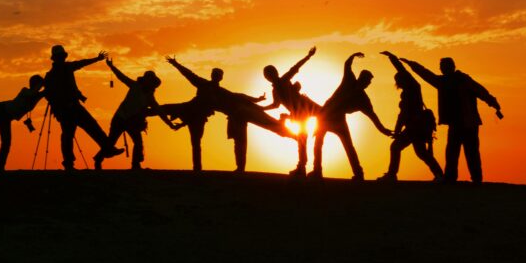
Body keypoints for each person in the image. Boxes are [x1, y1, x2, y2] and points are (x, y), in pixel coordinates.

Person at [165, 56, 291, 173]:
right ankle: (224, 168)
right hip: (224, 114)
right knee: (238, 141)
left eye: (219, 75)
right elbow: (189, 74)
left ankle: (239, 168)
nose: (217, 76)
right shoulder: (203, 84)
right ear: (212, 75)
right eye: (215, 74)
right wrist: (176, 64)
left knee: (244, 139)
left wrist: (257, 99)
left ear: (221, 78)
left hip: (238, 113)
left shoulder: (221, 91)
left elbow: (239, 96)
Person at [401, 56, 502, 183]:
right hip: (458, 123)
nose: (442, 69)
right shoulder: (444, 81)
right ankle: (455, 178)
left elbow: (481, 91)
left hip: (468, 123)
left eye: (444, 67)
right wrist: (412, 64)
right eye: (441, 67)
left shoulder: (461, 80)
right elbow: (426, 74)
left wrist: (493, 103)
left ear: (451, 67)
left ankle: (472, 179)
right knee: (454, 153)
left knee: (467, 152)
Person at [311, 52, 393, 181]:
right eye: (366, 81)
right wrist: (353, 56)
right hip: (326, 115)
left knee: (348, 146)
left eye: (368, 82)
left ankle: (358, 173)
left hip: (338, 119)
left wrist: (383, 130)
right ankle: (317, 171)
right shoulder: (349, 80)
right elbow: (347, 65)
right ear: (361, 78)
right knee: (318, 143)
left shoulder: (364, 100)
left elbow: (373, 116)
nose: (367, 84)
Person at [42, 45, 122, 170]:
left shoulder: (52, 74)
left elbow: (48, 94)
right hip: (70, 109)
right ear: (58, 57)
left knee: (72, 134)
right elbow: (81, 63)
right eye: (61, 56)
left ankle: (71, 163)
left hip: (67, 109)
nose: (62, 58)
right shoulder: (62, 70)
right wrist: (97, 59)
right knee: (88, 129)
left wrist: (97, 59)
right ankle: (106, 149)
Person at [95, 58, 174, 170]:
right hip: (120, 118)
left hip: (132, 122)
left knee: (138, 143)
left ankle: (135, 165)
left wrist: (169, 124)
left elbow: (159, 112)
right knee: (111, 141)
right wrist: (111, 67)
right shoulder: (135, 85)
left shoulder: (150, 97)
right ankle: (98, 159)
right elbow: (121, 77)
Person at [377, 51, 443, 182]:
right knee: (421, 153)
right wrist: (397, 130)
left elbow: (402, 70)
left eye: (399, 80)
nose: (398, 83)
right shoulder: (407, 93)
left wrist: (392, 58)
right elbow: (401, 115)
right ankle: (440, 175)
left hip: (415, 127)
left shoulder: (414, 88)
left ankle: (392, 175)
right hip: (413, 127)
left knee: (396, 147)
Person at [262, 46, 318, 177]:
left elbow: (296, 67)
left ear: (274, 73)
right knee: (302, 139)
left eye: (270, 73)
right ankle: (302, 167)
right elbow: (275, 105)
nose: (270, 77)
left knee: (302, 139)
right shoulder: (275, 90)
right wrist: (261, 108)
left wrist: (308, 56)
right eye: (268, 75)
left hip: (305, 110)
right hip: (298, 115)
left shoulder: (284, 80)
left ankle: (303, 167)